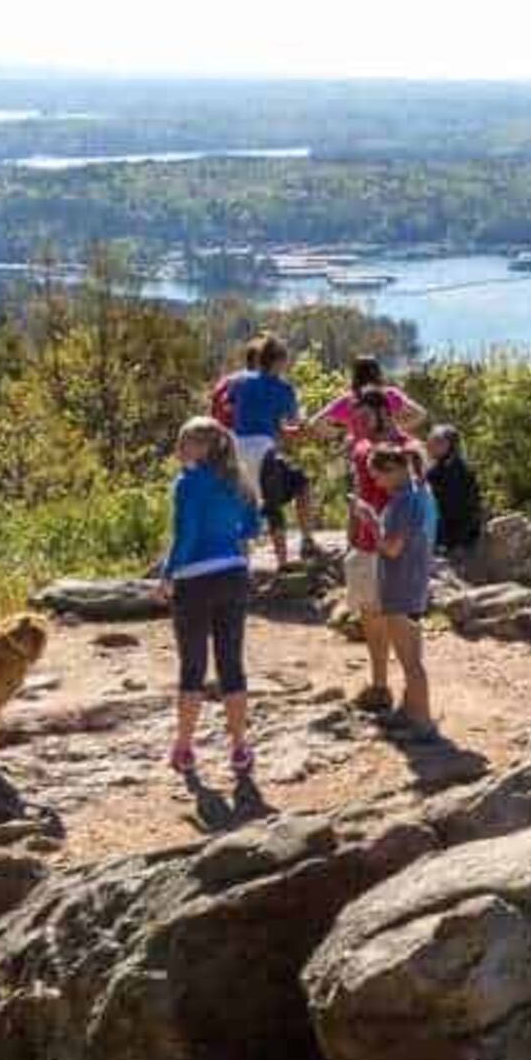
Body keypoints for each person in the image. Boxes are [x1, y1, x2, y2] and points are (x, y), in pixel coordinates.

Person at [318, 362, 428, 704]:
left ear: (382, 413)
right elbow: (362, 490)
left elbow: (415, 500)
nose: (359, 424)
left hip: (390, 545)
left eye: (364, 417)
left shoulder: (400, 450)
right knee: (376, 615)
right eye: (357, 418)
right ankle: (386, 686)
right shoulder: (372, 448)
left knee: (395, 619)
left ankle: (404, 694)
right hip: (374, 544)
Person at [161, 414, 261, 782]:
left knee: (193, 667)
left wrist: (168, 573)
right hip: (233, 574)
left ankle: (185, 748)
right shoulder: (238, 480)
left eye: (184, 441)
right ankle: (239, 748)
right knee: (231, 664)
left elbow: (185, 533)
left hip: (194, 580)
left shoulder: (187, 483)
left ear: (202, 447)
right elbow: (252, 526)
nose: (179, 448)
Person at [362, 439, 438, 739]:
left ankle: (422, 723)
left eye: (377, 476)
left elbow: (392, 548)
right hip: (411, 584)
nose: (377, 483)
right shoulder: (418, 494)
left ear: (393, 468)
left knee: (410, 662)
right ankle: (410, 710)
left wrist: (370, 521)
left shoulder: (405, 500)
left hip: (402, 587)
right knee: (411, 658)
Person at [211, 333, 308, 567]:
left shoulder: (238, 381)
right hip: (264, 449)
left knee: (243, 504)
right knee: (273, 505)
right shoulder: (284, 388)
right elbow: (294, 423)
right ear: (278, 361)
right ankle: (283, 562)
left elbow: (229, 407)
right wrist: (304, 426)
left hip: (237, 447)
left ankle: (241, 564)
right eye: (284, 361)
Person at [424, 422, 485, 558]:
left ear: (448, 444)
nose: (429, 445)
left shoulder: (460, 471)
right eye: (429, 440)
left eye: (436, 441)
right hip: (442, 540)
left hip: (457, 543)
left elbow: (463, 510)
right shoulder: (436, 470)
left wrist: (456, 544)